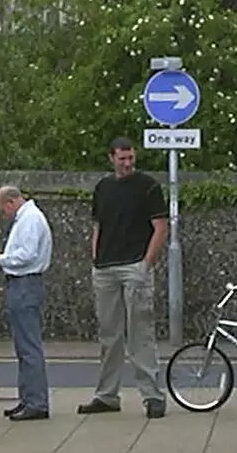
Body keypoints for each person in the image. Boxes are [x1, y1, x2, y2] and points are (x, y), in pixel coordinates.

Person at [80, 137, 168, 419]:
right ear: (111, 158)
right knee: (109, 334)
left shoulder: (148, 186)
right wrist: (95, 258)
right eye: (122, 158)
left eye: (131, 158)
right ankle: (106, 395)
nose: (128, 163)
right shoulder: (103, 188)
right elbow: (98, 225)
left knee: (140, 332)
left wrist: (146, 264)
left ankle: (153, 396)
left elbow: (160, 227)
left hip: (134, 266)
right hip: (105, 267)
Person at [0, 184, 53, 421]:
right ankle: (28, 398)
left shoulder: (30, 219)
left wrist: (1, 259)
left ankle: (37, 402)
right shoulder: (26, 218)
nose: (4, 214)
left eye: (3, 210)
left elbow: (28, 254)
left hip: (25, 283)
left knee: (29, 346)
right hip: (20, 283)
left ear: (11, 202)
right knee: (23, 347)